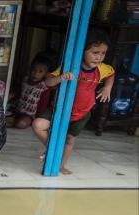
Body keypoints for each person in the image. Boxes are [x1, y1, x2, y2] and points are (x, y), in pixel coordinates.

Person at [32, 28, 115, 174]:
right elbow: (49, 82)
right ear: (82, 51)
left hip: (82, 113)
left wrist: (107, 87)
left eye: (103, 53)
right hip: (60, 108)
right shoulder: (70, 67)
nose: (99, 57)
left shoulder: (101, 69)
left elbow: (111, 73)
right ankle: (54, 149)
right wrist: (61, 77)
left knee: (70, 139)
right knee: (38, 125)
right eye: (95, 53)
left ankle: (60, 165)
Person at [9, 56, 52, 129]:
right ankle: (13, 121)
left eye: (40, 72)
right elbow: (21, 92)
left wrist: (38, 119)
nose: (35, 74)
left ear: (46, 74)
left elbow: (43, 104)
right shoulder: (25, 80)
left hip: (30, 115)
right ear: (30, 69)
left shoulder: (44, 86)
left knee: (21, 124)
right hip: (18, 109)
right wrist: (12, 95)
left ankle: (15, 121)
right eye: (33, 70)